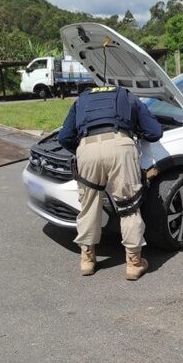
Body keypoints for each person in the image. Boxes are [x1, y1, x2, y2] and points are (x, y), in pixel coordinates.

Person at [57, 85, 163, 279]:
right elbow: (154, 132)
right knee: (129, 206)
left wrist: (83, 152)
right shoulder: (128, 97)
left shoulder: (81, 99)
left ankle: (87, 260)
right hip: (120, 146)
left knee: (88, 206)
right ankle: (134, 263)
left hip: (86, 149)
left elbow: (64, 137)